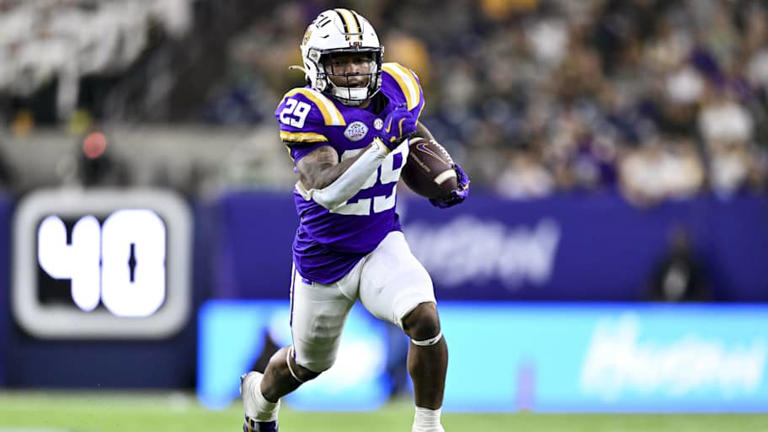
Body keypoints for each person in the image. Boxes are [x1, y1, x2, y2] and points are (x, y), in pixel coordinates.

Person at [239, 8, 469, 432]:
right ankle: (259, 397)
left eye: (360, 59)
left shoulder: (400, 84)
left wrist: (443, 170)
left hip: (380, 239)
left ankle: (428, 425)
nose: (352, 70)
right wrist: (383, 144)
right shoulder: (306, 109)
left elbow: (411, 132)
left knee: (424, 317)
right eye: (340, 62)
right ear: (315, 66)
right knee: (308, 363)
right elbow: (327, 189)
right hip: (324, 258)